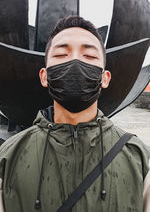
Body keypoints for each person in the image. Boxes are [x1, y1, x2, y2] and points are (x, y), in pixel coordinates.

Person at [0, 15, 149, 212]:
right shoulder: (7, 159)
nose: (75, 61)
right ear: (44, 76)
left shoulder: (140, 159)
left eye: (89, 56)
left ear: (105, 78)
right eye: (61, 55)